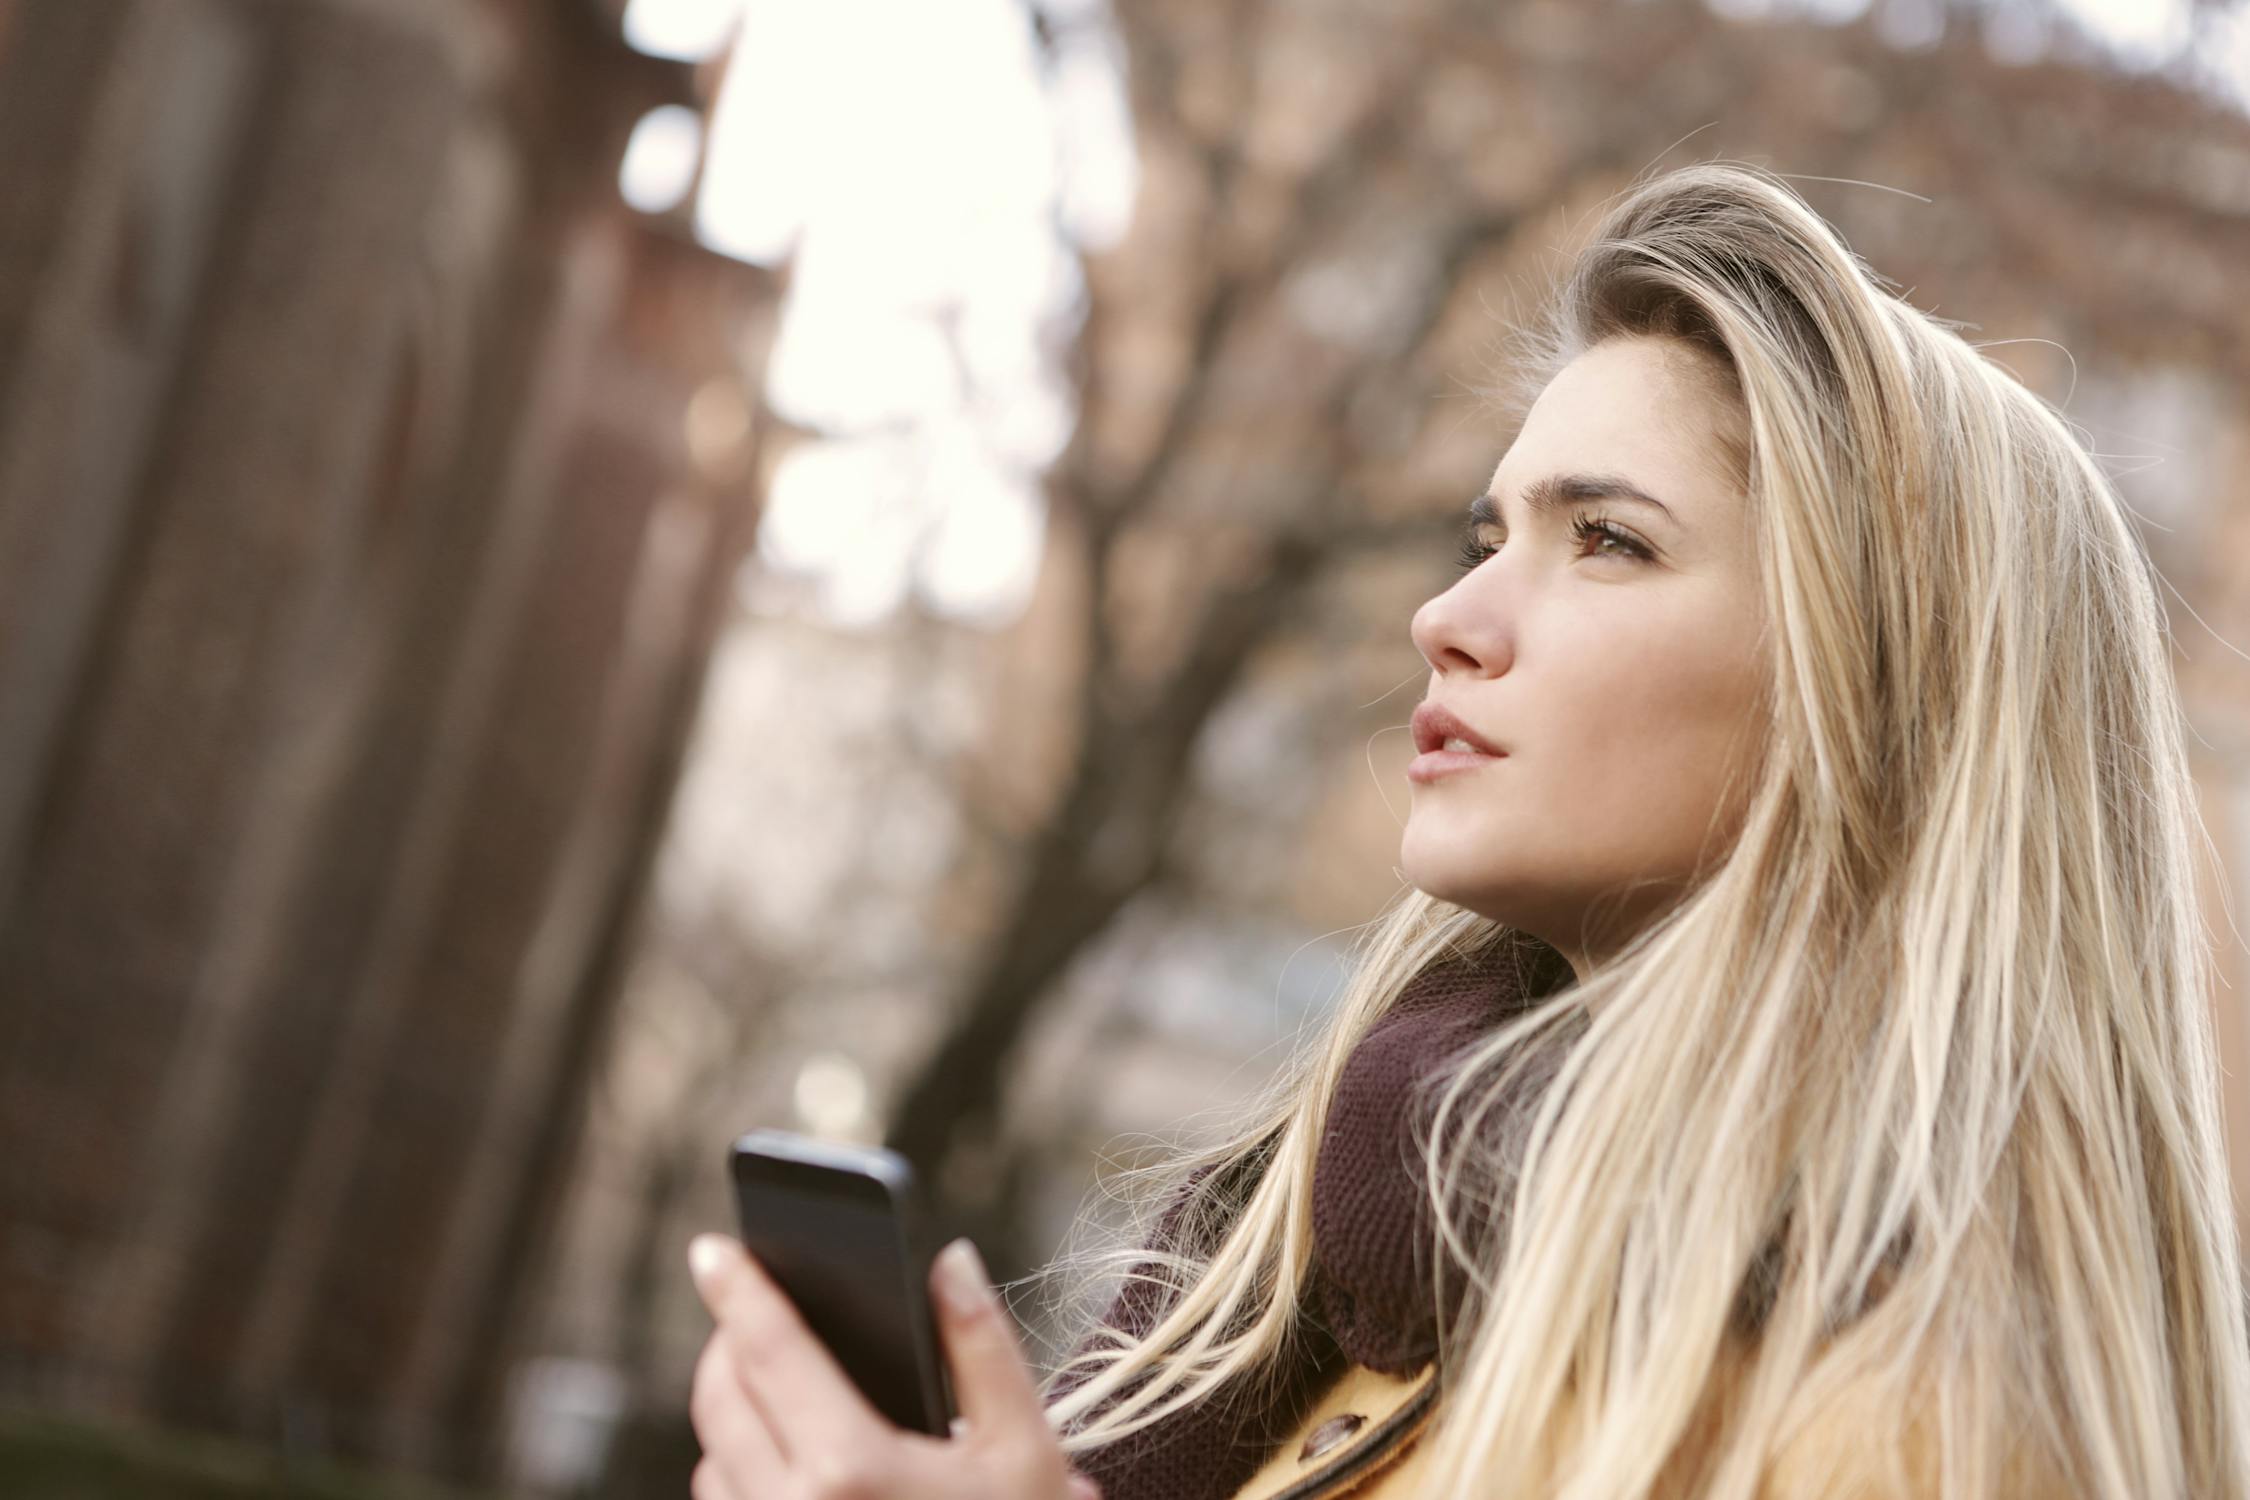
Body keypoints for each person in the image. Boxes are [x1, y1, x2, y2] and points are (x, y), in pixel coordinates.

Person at [679, 161, 2250, 1499]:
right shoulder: (1321, 1275)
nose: (1448, 616)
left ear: (1884, 696)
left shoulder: (1924, 1419)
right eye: (1484, 536)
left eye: (1609, 542)